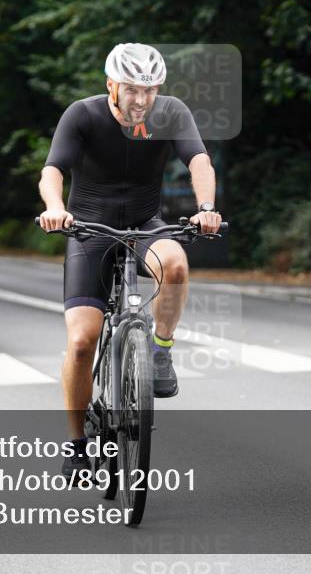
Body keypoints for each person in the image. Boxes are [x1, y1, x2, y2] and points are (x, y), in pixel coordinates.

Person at [37, 43, 222, 480]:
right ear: (111, 86)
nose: (142, 100)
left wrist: (207, 206)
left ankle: (159, 351)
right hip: (89, 230)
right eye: (132, 90)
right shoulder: (82, 115)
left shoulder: (172, 113)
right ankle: (77, 444)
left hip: (145, 225)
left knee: (175, 265)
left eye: (150, 90)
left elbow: (198, 160)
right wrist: (53, 206)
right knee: (82, 342)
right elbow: (53, 170)